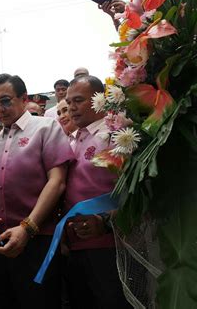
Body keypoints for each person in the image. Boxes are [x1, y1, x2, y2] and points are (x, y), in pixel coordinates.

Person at [0, 74, 74, 309]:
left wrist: (28, 227)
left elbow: (57, 181)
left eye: (6, 101)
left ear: (23, 98)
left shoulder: (46, 128)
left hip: (38, 240)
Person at [64, 75, 131, 308]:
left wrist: (105, 221)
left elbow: (136, 190)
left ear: (99, 100)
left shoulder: (118, 134)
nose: (71, 107)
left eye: (78, 100)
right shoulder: (72, 140)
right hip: (76, 246)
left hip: (110, 245)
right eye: (68, 101)